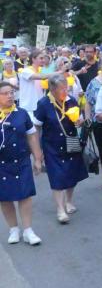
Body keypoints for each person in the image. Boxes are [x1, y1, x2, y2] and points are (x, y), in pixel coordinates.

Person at [33, 74, 88, 224]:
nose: (65, 91)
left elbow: (79, 119)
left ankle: (69, 201)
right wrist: (37, 151)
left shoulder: (71, 100)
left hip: (71, 141)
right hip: (52, 145)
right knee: (57, 176)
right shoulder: (44, 103)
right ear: (52, 89)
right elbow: (37, 126)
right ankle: (60, 209)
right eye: (62, 89)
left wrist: (80, 122)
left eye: (66, 88)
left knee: (72, 173)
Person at [0, 82, 43, 245]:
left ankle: (28, 230)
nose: (10, 96)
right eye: (5, 93)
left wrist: (37, 159)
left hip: (22, 160)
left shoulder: (22, 114)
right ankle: (13, 229)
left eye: (11, 93)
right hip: (1, 163)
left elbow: (32, 136)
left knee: (25, 195)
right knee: (4, 197)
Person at [84, 57, 102, 188]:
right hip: (99, 121)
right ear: (100, 67)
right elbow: (88, 102)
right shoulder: (94, 83)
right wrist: (87, 117)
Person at [18, 49, 62, 121]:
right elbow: (43, 77)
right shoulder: (26, 71)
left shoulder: (40, 70)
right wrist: (61, 71)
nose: (43, 60)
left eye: (44, 58)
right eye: (41, 58)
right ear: (33, 59)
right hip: (29, 108)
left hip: (39, 106)